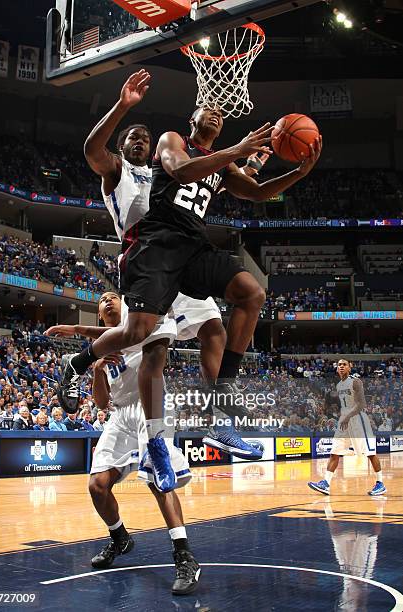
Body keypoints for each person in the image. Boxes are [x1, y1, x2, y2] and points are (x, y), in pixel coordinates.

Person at [45, 71, 272, 477]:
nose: (140, 142)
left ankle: (218, 417)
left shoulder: (162, 171)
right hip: (146, 256)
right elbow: (91, 148)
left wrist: (251, 162)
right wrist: (124, 106)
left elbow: (210, 182)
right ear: (122, 147)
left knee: (216, 328)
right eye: (132, 138)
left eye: (144, 139)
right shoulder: (116, 171)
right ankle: (153, 443)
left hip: (180, 252)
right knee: (152, 349)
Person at [88, 290, 200, 595]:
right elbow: (101, 403)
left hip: (150, 404)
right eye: (102, 299)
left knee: (157, 481)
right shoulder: (99, 346)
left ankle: (184, 555)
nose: (108, 300)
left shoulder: (137, 321)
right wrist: (98, 370)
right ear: (99, 312)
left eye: (113, 295)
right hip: (120, 413)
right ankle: (119, 537)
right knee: (97, 485)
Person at [308, 359, 386, 496]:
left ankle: (380, 483)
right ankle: (325, 483)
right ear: (337, 369)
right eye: (339, 365)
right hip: (344, 421)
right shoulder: (339, 385)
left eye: (344, 364)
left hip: (358, 420)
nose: (341, 366)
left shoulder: (356, 382)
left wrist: (348, 415)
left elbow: (362, 404)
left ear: (350, 367)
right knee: (335, 452)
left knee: (370, 453)